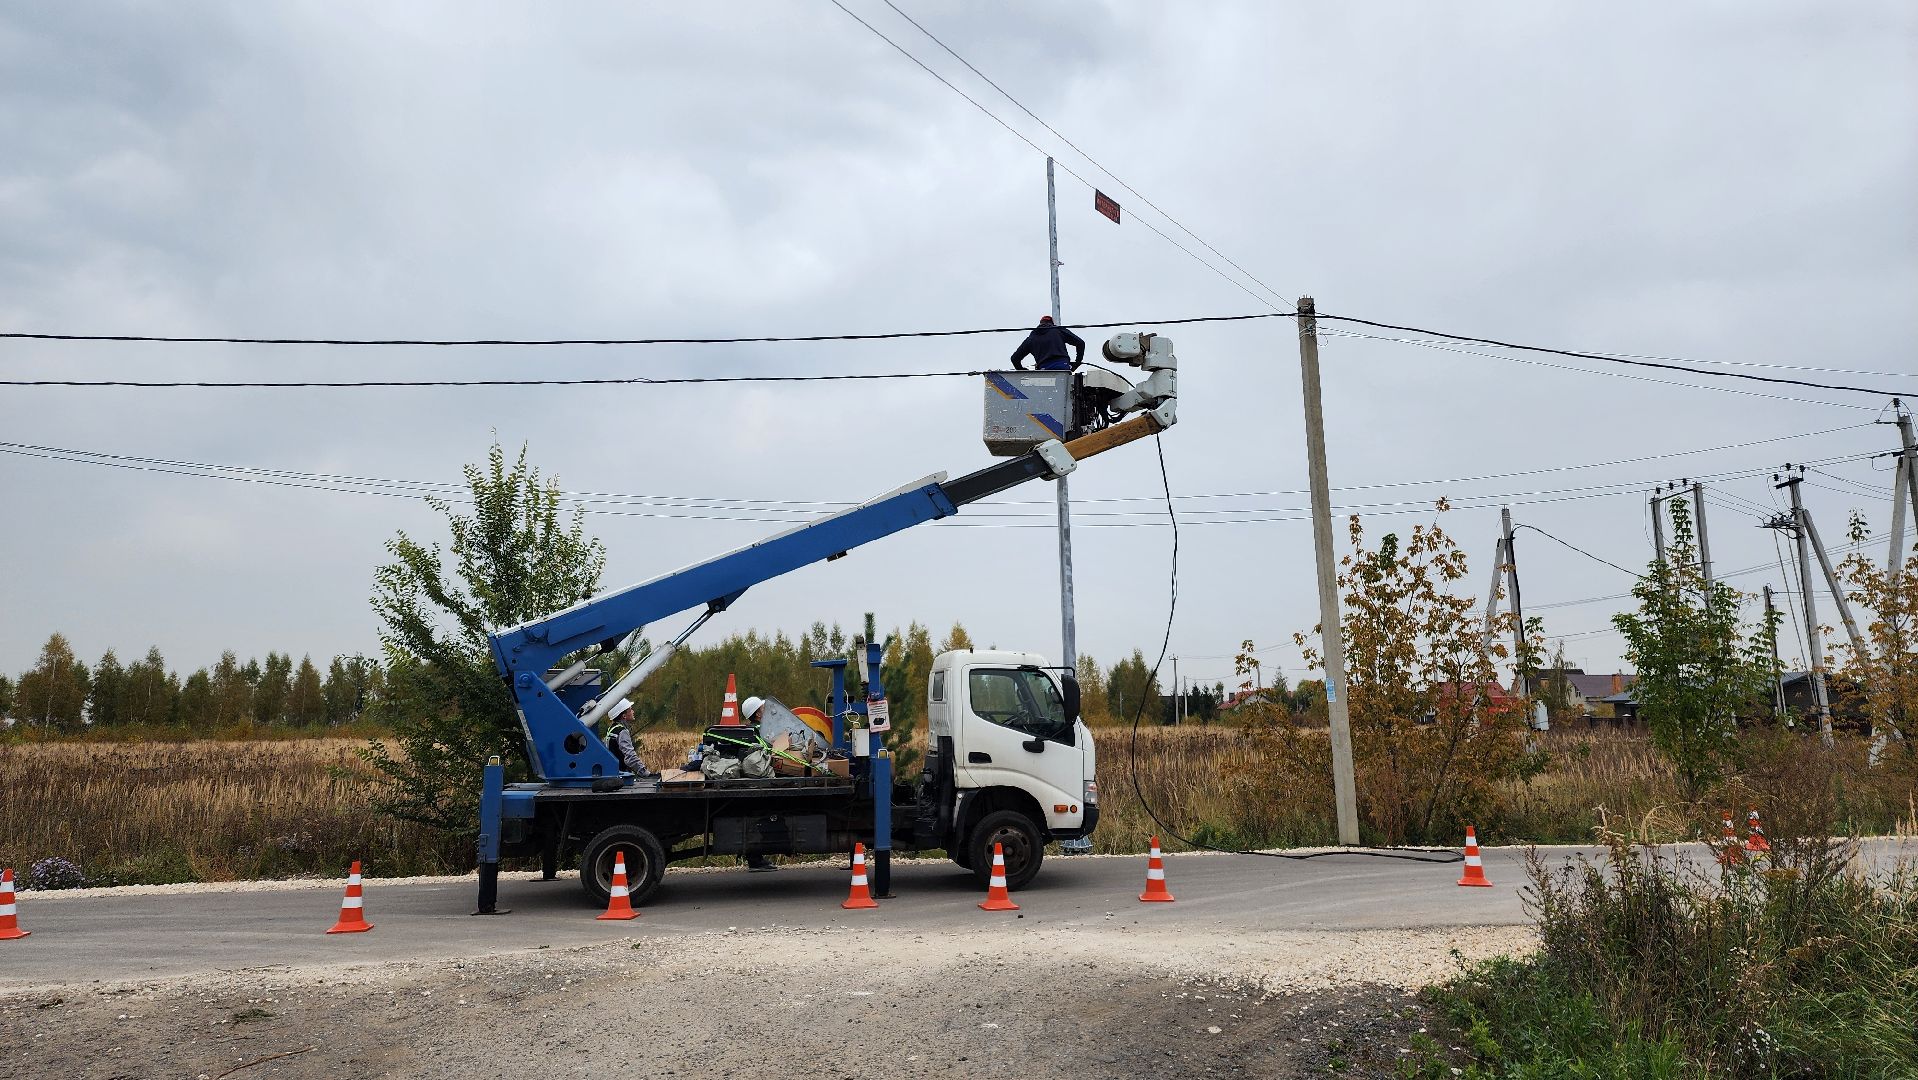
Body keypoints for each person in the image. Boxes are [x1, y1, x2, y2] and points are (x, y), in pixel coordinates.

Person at [1009, 315, 1085, 371]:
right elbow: (1080, 343)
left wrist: (1022, 370)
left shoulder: (1031, 338)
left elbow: (1014, 358)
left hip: (1044, 370)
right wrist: (1077, 363)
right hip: (1062, 367)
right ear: (1052, 323)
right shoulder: (1058, 330)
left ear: (1040, 323)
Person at [603, 698, 647, 775]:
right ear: (624, 716)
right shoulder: (622, 731)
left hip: (614, 772)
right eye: (630, 710)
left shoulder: (612, 728)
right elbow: (630, 756)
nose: (633, 712)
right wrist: (643, 772)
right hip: (622, 774)